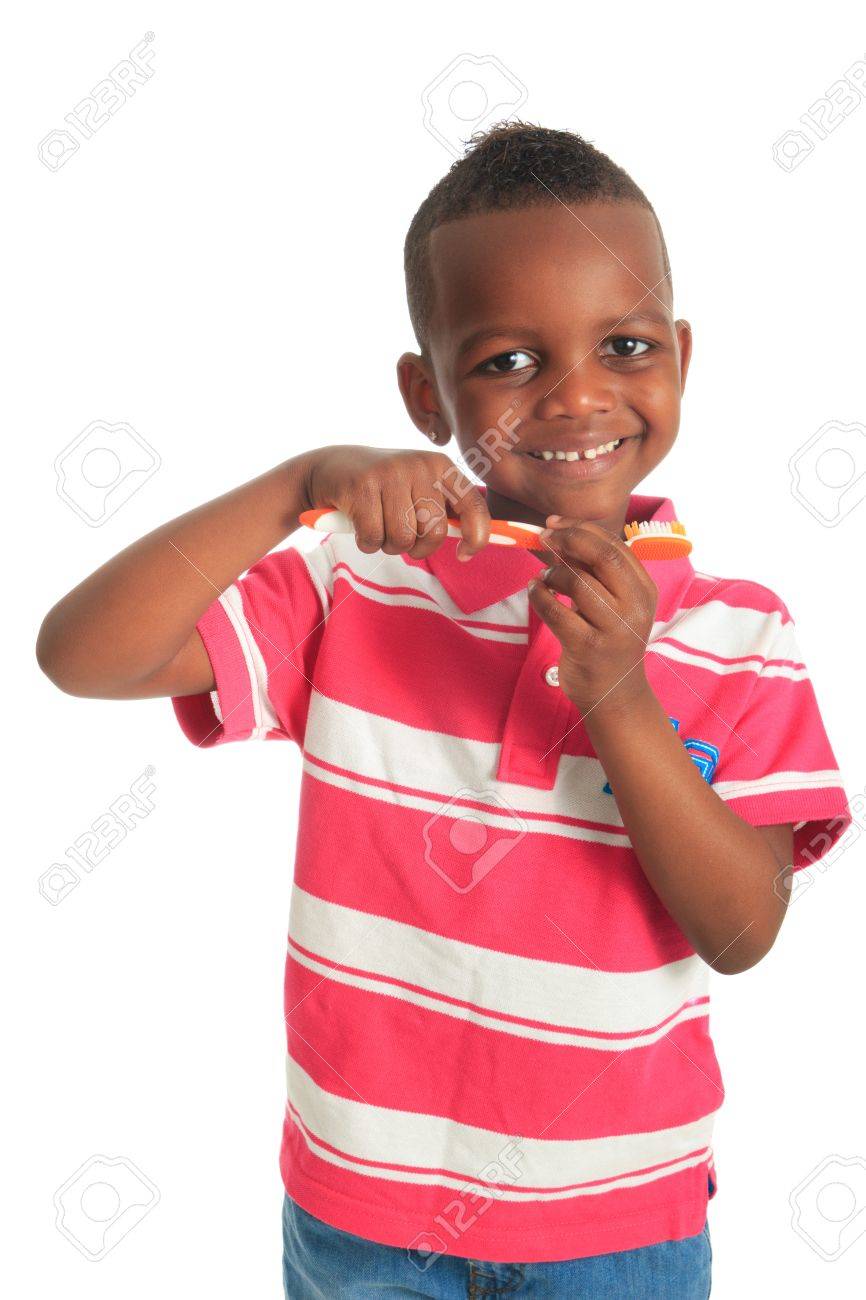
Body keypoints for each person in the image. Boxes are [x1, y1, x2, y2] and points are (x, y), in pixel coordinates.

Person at [37, 123, 851, 1298]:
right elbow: (82, 653)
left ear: (678, 356)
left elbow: (741, 931)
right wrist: (298, 484)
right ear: (426, 394)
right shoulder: (354, 581)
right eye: (507, 362)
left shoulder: (741, 631)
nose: (575, 395)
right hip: (359, 1211)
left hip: (617, 1226)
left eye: (623, 344)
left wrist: (618, 693)